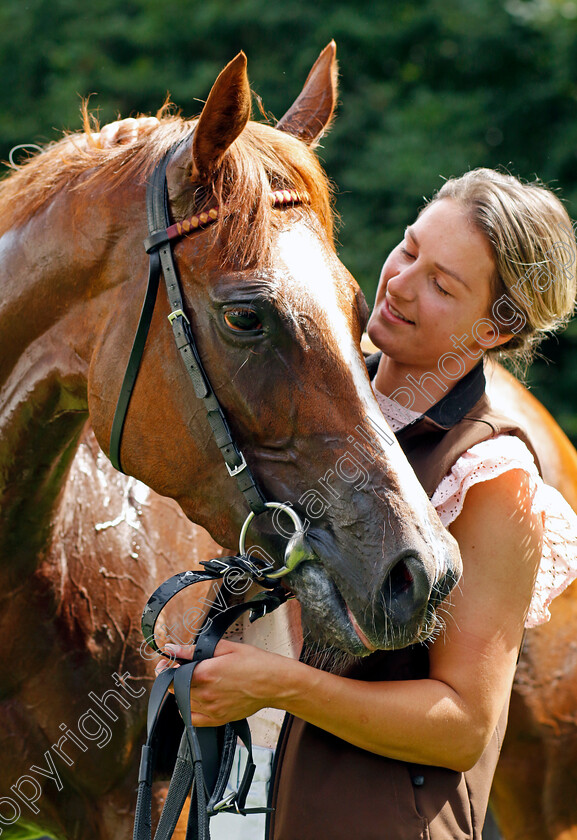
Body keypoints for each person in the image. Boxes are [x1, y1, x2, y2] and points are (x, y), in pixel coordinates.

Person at [98, 122, 577, 838]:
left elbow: (462, 727)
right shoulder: (318, 405)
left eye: (441, 285)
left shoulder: (491, 476)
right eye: (409, 248)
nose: (400, 285)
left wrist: (278, 686)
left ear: (494, 331)